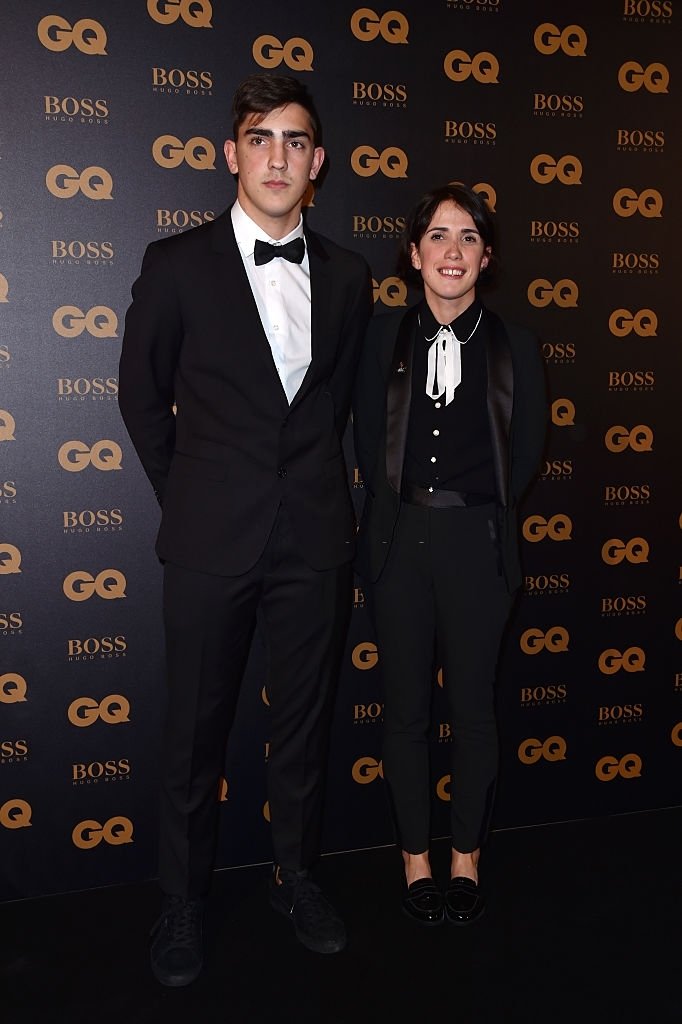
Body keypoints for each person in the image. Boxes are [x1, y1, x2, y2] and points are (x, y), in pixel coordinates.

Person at [119, 74, 372, 985]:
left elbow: (334, 404)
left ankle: (295, 875)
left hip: (312, 539)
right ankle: (183, 902)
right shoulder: (176, 264)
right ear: (232, 155)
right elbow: (141, 399)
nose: (277, 156)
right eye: (261, 139)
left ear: (317, 163)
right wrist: (188, 491)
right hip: (207, 542)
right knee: (194, 731)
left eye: (295, 141)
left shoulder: (349, 276)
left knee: (302, 728)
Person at [353, 183, 546, 926]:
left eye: (468, 237)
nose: (452, 251)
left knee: (472, 712)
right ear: (414, 253)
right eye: (438, 235)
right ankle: (415, 859)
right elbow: (365, 437)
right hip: (399, 542)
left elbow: (526, 451)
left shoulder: (514, 345)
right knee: (404, 713)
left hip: (478, 548)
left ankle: (465, 855)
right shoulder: (379, 337)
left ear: (486, 256)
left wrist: (476, 515)